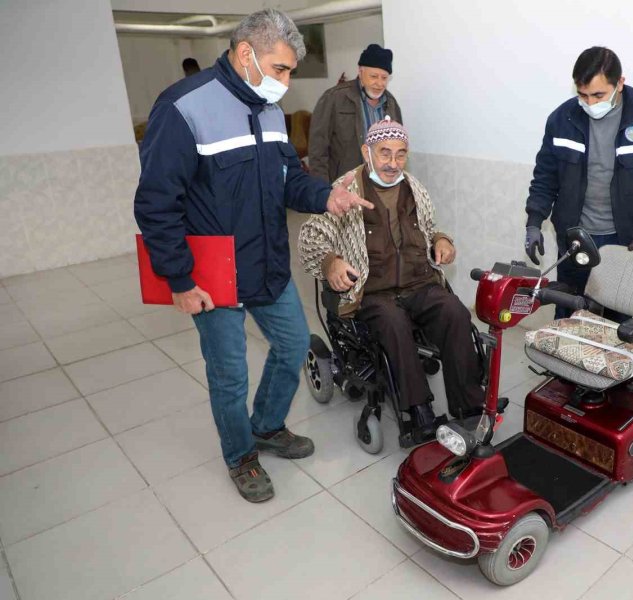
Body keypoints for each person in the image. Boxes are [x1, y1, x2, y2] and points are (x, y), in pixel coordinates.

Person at [134, 9, 373, 503]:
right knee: (230, 372)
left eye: (289, 72)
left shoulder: (268, 109)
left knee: (291, 346)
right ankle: (239, 454)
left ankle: (266, 425)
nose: (285, 82)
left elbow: (288, 178)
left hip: (267, 261)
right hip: (213, 273)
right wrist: (178, 279)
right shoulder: (184, 107)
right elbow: (156, 203)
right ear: (246, 54)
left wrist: (327, 196)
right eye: (280, 69)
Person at [299, 118, 484, 439]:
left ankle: (468, 407)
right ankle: (418, 411)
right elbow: (310, 237)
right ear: (366, 151)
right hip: (372, 291)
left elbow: (430, 228)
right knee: (394, 324)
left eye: (400, 154)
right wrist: (330, 262)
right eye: (385, 153)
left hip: (418, 283)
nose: (393, 163)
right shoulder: (344, 190)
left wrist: (442, 240)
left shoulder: (415, 188)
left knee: (456, 313)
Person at [525, 46, 633, 318]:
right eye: (583, 95)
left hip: (625, 241)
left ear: (620, 82)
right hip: (575, 237)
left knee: (617, 320)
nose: (590, 103)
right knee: (569, 315)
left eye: (598, 95)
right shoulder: (561, 119)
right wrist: (534, 222)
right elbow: (545, 176)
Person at [308, 44, 402, 182]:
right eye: (374, 76)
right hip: (345, 185)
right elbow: (317, 151)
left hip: (380, 184)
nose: (379, 83)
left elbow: (399, 146)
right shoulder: (334, 98)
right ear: (360, 72)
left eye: (384, 78)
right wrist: (323, 191)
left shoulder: (391, 104)